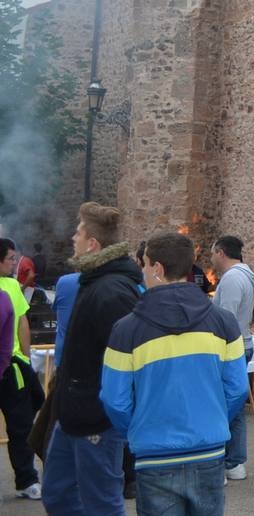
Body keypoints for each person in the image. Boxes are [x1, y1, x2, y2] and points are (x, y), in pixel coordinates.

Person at [100, 232, 248, 515]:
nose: (141, 272)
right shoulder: (224, 322)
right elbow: (238, 388)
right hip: (208, 449)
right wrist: (213, 420)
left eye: (143, 264)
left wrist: (139, 428)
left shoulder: (126, 330)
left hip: (155, 454)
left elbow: (114, 399)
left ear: (157, 269)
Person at [41, 203, 143, 513]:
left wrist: (108, 408)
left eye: (78, 232)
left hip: (97, 417)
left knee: (102, 502)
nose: (73, 237)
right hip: (72, 412)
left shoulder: (111, 291)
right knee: (57, 493)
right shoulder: (93, 282)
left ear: (92, 244)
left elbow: (129, 360)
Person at [210, 235, 254, 482]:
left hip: (230, 347)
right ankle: (234, 462)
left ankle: (229, 461)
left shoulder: (232, 279)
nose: (211, 259)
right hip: (242, 343)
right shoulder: (247, 274)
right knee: (234, 402)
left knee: (225, 405)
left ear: (221, 252)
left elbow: (226, 319)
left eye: (212, 254)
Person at [0, 238, 41, 499]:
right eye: (11, 258)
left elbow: (22, 322)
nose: (15, 263)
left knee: (21, 423)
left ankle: (26, 480)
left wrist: (25, 359)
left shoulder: (13, 285)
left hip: (11, 366)